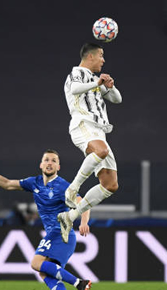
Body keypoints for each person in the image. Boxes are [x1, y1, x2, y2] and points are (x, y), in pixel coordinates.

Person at [0, 150, 92, 290]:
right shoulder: (34, 183)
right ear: (41, 164)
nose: (49, 163)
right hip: (57, 235)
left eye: (53, 161)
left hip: (61, 233)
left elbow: (82, 202)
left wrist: (84, 222)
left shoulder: (63, 185)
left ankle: (79, 283)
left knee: (36, 263)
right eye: (46, 160)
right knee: (44, 272)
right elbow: (7, 184)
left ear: (58, 166)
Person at [58, 42, 123, 243]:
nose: (104, 60)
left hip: (99, 131)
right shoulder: (76, 74)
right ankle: (73, 188)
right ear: (91, 57)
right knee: (101, 150)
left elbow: (117, 99)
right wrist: (97, 83)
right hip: (82, 124)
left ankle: (70, 216)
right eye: (101, 55)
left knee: (110, 185)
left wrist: (108, 86)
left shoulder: (96, 80)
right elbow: (76, 89)